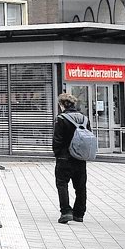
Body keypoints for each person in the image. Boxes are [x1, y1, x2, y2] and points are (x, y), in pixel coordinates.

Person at [52, 93, 88, 224]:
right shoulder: (84, 119)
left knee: (62, 184)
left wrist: (57, 154)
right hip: (80, 158)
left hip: (64, 158)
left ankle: (66, 212)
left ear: (62, 105)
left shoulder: (61, 119)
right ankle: (79, 214)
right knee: (80, 186)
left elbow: (57, 140)